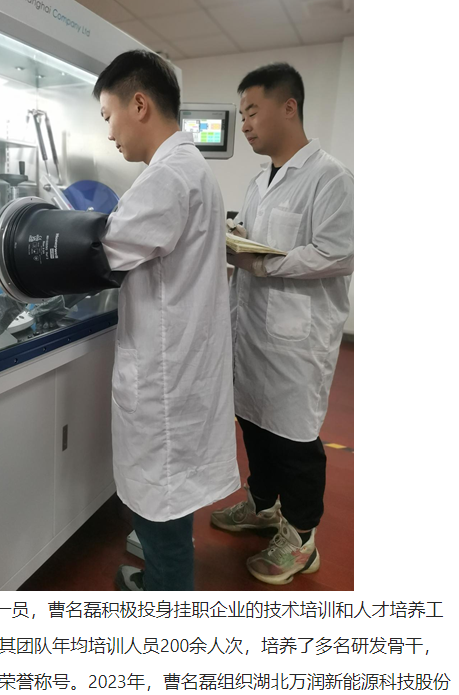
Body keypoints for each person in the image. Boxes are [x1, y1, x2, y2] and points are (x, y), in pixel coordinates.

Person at [92, 50, 240, 591]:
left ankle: (166, 600)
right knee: (169, 500)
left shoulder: (166, 178)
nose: (109, 133)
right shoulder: (190, 168)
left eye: (108, 116)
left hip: (165, 378)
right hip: (180, 366)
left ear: (139, 105)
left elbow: (104, 252)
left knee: (162, 503)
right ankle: (160, 578)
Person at [212, 62, 354, 585]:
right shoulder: (259, 181)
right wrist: (235, 237)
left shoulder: (331, 178)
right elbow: (256, 241)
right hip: (251, 328)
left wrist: (264, 264)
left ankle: (301, 537)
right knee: (254, 423)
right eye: (242, 113)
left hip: (297, 338)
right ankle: (262, 505)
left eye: (253, 111)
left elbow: (339, 253)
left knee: (294, 439)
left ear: (288, 107)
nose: (245, 123)